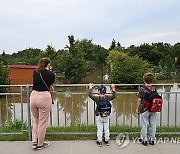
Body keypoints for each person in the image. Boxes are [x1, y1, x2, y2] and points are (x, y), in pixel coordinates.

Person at [30, 57, 55, 150]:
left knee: (36, 120)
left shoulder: (35, 72)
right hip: (44, 98)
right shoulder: (51, 74)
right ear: (48, 64)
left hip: (33, 96)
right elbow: (51, 83)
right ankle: (40, 144)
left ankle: (34, 142)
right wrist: (49, 70)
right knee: (42, 122)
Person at [136, 72, 157, 146]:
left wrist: (137, 108)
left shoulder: (142, 89)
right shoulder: (154, 88)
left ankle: (144, 140)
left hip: (144, 109)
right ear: (152, 80)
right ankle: (152, 139)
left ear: (144, 80)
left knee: (144, 124)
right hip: (153, 109)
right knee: (153, 124)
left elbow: (139, 100)